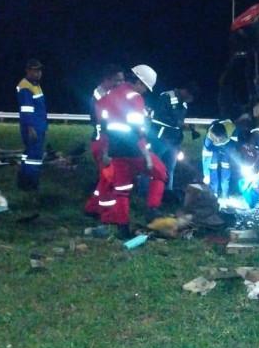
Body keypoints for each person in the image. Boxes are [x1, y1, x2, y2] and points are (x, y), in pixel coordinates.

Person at [94, 64, 168, 239]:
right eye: (145, 87)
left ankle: (123, 228)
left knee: (122, 189)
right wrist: (146, 155)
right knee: (161, 173)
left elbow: (102, 125)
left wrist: (105, 151)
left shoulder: (109, 95)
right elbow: (138, 130)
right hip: (134, 149)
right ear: (139, 82)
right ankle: (152, 210)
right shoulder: (135, 98)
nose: (145, 91)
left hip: (115, 150)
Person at [83, 64, 124, 216]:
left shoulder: (108, 94)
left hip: (107, 142)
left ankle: (94, 208)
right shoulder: (100, 98)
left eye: (122, 80)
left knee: (106, 179)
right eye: (117, 80)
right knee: (108, 179)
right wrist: (106, 150)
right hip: (103, 142)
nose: (121, 83)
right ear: (107, 79)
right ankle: (105, 211)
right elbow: (102, 125)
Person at [147, 86, 198, 190]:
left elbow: (178, 121)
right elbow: (160, 116)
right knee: (152, 166)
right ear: (185, 91)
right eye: (190, 98)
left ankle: (167, 194)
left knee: (169, 169)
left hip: (174, 142)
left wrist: (183, 127)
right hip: (159, 139)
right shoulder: (166, 97)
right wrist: (179, 123)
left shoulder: (184, 104)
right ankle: (145, 193)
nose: (189, 101)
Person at [16, 59, 47, 191]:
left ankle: (23, 180)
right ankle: (31, 183)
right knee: (34, 157)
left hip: (37, 125)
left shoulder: (34, 85)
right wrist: (30, 128)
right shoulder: (26, 87)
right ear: (28, 71)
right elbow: (26, 110)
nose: (38, 73)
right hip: (33, 127)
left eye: (39, 70)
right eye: (35, 71)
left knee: (28, 153)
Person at [201, 118, 238, 199]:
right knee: (212, 167)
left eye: (221, 139)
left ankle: (225, 194)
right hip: (214, 149)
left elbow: (236, 145)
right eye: (217, 140)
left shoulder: (232, 129)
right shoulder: (208, 142)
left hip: (227, 146)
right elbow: (206, 159)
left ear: (225, 134)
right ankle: (214, 194)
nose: (219, 141)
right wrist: (206, 175)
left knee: (226, 167)